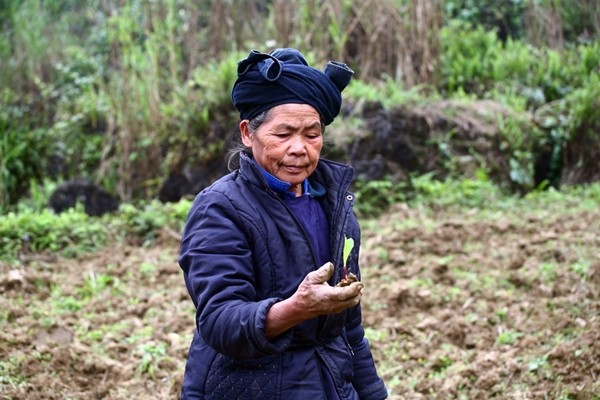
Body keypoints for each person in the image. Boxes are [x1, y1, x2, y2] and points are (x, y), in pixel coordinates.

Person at [179, 48, 388, 400]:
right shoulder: (220, 208)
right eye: (283, 134)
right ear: (248, 133)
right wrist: (296, 308)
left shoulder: (334, 205)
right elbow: (219, 320)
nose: (299, 148)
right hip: (247, 386)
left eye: (312, 134)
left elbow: (349, 327)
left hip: (330, 383)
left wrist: (373, 394)